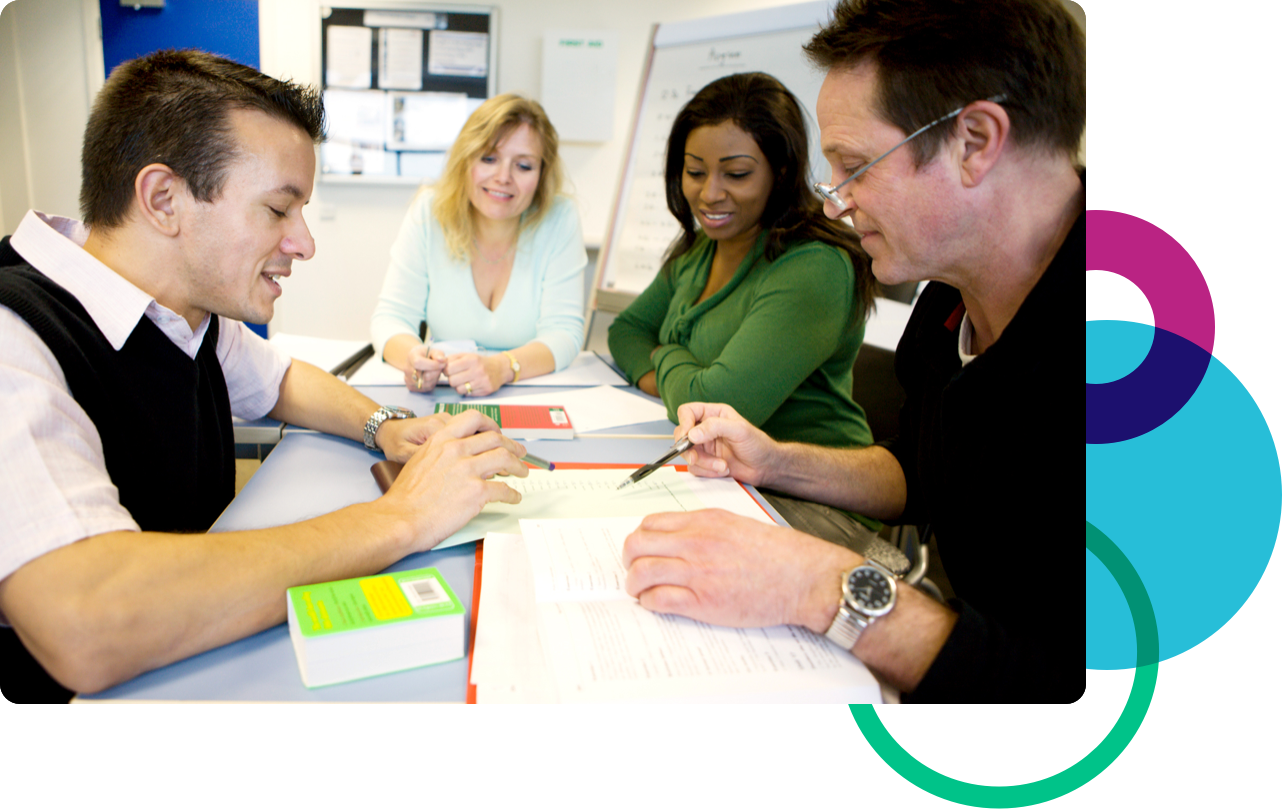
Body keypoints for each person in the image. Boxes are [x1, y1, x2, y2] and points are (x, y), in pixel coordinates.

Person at [0, 50, 528, 701]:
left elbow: (279, 380)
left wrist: (389, 429)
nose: (304, 242)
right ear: (163, 198)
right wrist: (403, 517)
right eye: (280, 210)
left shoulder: (181, 312)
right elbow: (87, 622)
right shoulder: (12, 342)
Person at [622, 0, 1086, 704]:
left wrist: (821, 586)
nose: (836, 202)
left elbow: (1129, 714)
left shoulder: (1173, 365)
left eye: (855, 167)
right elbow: (921, 472)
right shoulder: (945, 305)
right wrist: (776, 461)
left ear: (975, 140)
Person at [607, 73, 878, 451]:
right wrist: (683, 382)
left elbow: (722, 409)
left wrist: (662, 355)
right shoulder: (702, 246)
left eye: (736, 174)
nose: (709, 194)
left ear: (780, 172)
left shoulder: (815, 265)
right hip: (720, 473)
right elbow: (626, 331)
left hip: (807, 497)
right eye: (695, 172)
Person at [371, 94, 587, 397]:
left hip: (529, 391)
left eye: (523, 166)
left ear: (542, 174)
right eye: (488, 159)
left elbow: (565, 333)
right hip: (445, 393)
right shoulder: (429, 210)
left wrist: (502, 367)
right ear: (466, 160)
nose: (503, 178)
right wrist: (412, 357)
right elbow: (391, 317)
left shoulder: (559, 217)